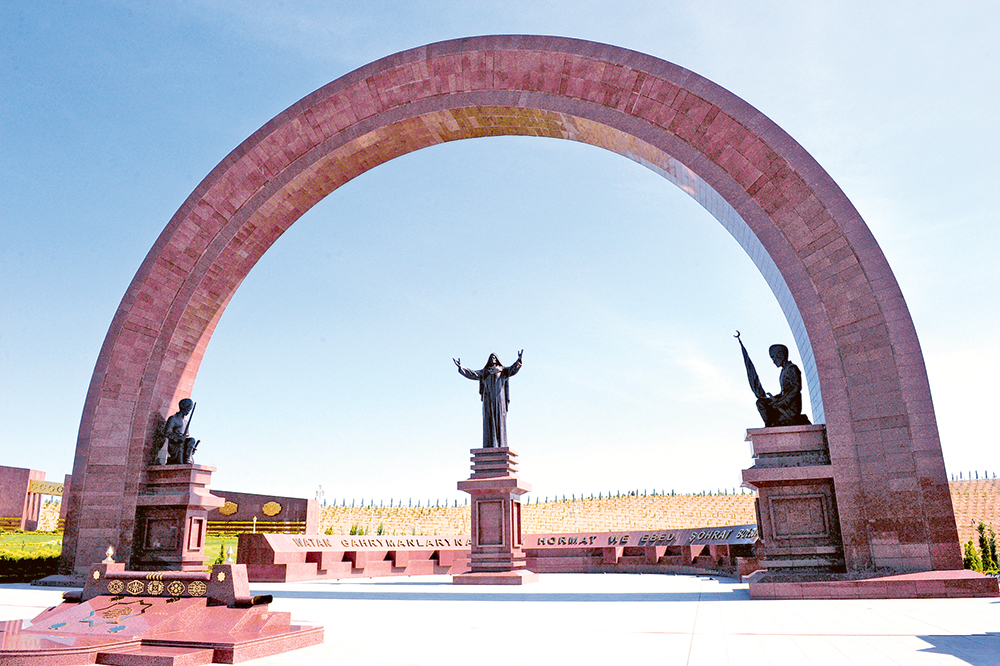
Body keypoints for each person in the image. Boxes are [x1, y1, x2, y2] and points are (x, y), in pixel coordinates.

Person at [454, 351, 523, 448]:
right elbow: (473, 374)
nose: (493, 359)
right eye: (491, 357)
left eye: (495, 357)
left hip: (499, 399)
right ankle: (490, 444)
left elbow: (512, 369)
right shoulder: (485, 372)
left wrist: (518, 361)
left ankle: (500, 444)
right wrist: (461, 368)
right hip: (488, 400)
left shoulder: (502, 371)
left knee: (499, 420)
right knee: (489, 421)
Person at [756, 344, 811, 427]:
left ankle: (772, 425)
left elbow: (796, 389)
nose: (773, 361)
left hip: (791, 406)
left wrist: (782, 402)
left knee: (762, 404)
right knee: (761, 402)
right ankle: (770, 425)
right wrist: (775, 399)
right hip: (784, 403)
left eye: (774, 357)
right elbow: (784, 392)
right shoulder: (783, 371)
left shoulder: (792, 368)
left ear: (781, 355)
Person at [164, 398, 199, 464]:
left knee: (192, 440)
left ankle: (187, 459)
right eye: (188, 408)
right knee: (181, 449)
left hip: (183, 443)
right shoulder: (173, 419)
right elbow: (167, 432)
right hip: (175, 444)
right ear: (183, 407)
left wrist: (191, 448)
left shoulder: (185, 422)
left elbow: (187, 435)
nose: (188, 411)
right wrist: (178, 438)